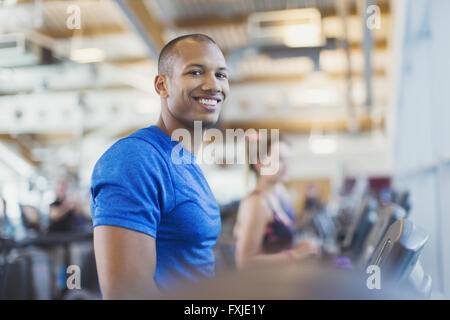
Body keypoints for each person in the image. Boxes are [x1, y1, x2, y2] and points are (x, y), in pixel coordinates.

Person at [90, 34, 229, 299]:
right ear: (162, 85)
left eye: (221, 75)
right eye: (196, 72)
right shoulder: (135, 159)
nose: (213, 85)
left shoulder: (185, 164)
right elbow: (127, 294)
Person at [233, 135, 320, 269]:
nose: (287, 165)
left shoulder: (279, 194)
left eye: (289, 159)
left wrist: (301, 248)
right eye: (279, 159)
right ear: (259, 163)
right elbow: (244, 262)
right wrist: (295, 254)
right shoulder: (256, 203)